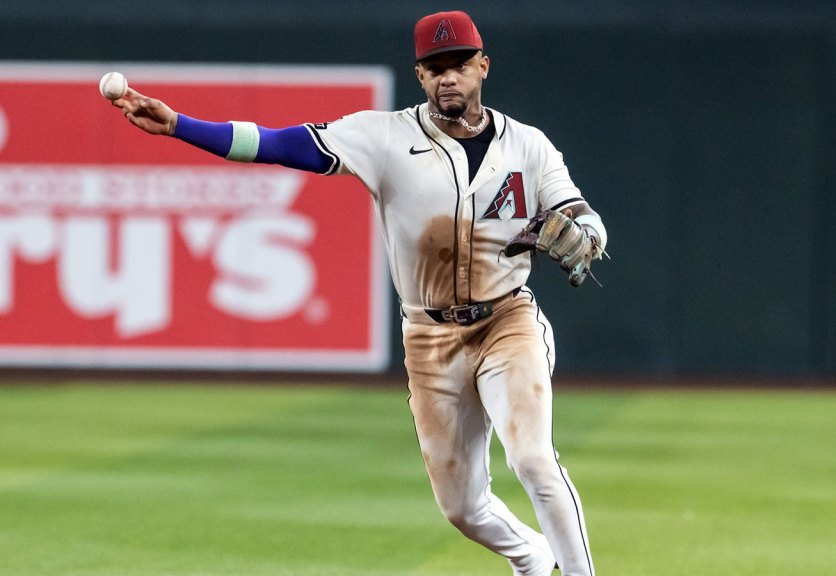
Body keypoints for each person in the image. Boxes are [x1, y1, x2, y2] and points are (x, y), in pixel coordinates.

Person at [110, 10, 605, 576]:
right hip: (430, 336)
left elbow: (580, 215)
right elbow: (278, 144)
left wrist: (587, 233)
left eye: (460, 65)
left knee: (534, 461)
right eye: (435, 67)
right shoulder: (384, 137)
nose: (449, 78)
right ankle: (534, 558)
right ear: (419, 75)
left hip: (506, 321)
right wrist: (180, 125)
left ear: (483, 66)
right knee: (463, 508)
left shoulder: (529, 146)